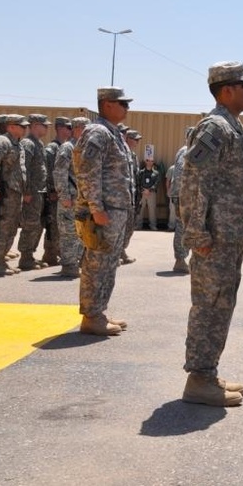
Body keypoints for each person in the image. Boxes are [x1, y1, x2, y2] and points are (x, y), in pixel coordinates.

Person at [179, 61, 243, 407]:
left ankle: (207, 372)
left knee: (221, 305)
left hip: (229, 237)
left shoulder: (234, 128)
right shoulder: (214, 129)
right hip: (214, 238)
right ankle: (198, 379)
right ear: (227, 90)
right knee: (208, 306)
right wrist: (197, 235)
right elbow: (195, 183)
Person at [73, 87, 135, 336]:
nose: (126, 108)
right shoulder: (98, 132)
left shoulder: (113, 133)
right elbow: (88, 171)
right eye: (122, 104)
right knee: (96, 264)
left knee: (108, 263)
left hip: (116, 211)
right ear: (107, 105)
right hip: (104, 212)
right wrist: (96, 208)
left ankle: (98, 312)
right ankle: (91, 316)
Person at [0, 114, 29, 276]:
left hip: (15, 193)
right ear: (10, 127)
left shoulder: (17, 144)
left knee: (10, 229)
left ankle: (1, 260)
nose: (25, 129)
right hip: (3, 193)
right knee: (0, 228)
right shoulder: (2, 142)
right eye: (22, 126)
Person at [53, 117, 88, 278]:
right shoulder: (68, 148)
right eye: (85, 128)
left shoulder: (85, 148)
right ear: (77, 129)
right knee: (68, 234)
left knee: (81, 233)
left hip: (82, 200)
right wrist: (64, 196)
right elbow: (59, 173)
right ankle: (68, 266)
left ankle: (76, 262)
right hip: (70, 199)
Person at [16, 114, 50, 270]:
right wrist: (27, 190)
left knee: (36, 224)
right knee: (30, 224)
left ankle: (29, 256)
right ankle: (25, 258)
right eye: (44, 125)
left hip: (39, 191)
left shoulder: (38, 143)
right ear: (35, 125)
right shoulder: (28, 143)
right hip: (32, 192)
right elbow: (24, 169)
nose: (47, 127)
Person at [41, 117, 72, 267]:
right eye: (68, 127)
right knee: (52, 224)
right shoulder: (52, 148)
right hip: (54, 193)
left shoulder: (65, 146)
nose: (70, 130)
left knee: (61, 226)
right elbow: (48, 171)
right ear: (59, 128)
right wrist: (52, 189)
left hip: (62, 192)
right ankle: (49, 253)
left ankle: (57, 251)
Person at [169, 127, 193, 273]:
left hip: (180, 195)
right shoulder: (188, 152)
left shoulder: (182, 150)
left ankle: (181, 259)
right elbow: (181, 176)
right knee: (182, 228)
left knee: (182, 227)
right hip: (184, 196)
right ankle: (180, 259)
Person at [119, 128, 141, 264]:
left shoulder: (133, 156)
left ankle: (122, 251)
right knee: (120, 228)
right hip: (122, 197)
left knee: (129, 227)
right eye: (135, 139)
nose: (137, 142)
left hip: (133, 197)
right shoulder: (121, 153)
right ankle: (117, 253)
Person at [137, 158, 162, 230]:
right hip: (142, 193)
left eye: (152, 161)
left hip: (152, 193)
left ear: (153, 162)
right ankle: (138, 225)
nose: (149, 162)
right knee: (140, 209)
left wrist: (149, 190)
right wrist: (143, 190)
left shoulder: (156, 173)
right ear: (145, 161)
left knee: (152, 210)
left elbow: (157, 183)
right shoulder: (141, 172)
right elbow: (138, 182)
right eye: (148, 160)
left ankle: (153, 225)